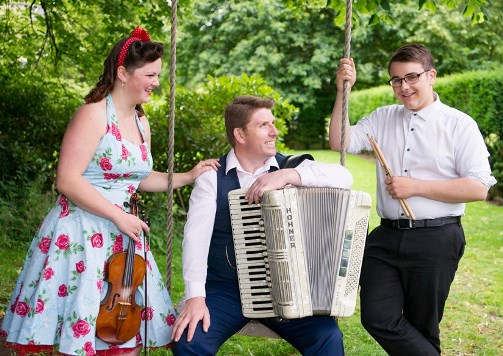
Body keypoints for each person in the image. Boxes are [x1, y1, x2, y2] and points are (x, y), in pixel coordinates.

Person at [0, 26, 220, 356]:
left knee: (122, 329)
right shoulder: (91, 115)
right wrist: (118, 216)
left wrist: (189, 175)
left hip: (123, 236)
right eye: (150, 75)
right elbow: (67, 180)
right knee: (83, 327)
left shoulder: (141, 121)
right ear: (122, 73)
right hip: (81, 233)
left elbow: (139, 178)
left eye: (158, 75)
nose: (156, 83)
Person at [329, 44, 496, 355]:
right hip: (386, 237)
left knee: (422, 326)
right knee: (377, 317)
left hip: (436, 237)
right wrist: (342, 91)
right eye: (396, 80)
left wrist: (415, 186)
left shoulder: (459, 124)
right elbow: (340, 141)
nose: (403, 87)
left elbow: (477, 188)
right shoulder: (382, 118)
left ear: (431, 76)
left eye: (412, 77)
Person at [170, 95, 354, 355]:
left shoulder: (291, 166)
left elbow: (344, 176)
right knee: (191, 342)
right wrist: (196, 298)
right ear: (240, 135)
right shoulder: (212, 177)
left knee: (328, 338)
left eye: (273, 123)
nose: (274, 131)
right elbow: (195, 240)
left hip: (287, 290)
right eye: (263, 125)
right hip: (227, 289)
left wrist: (288, 175)